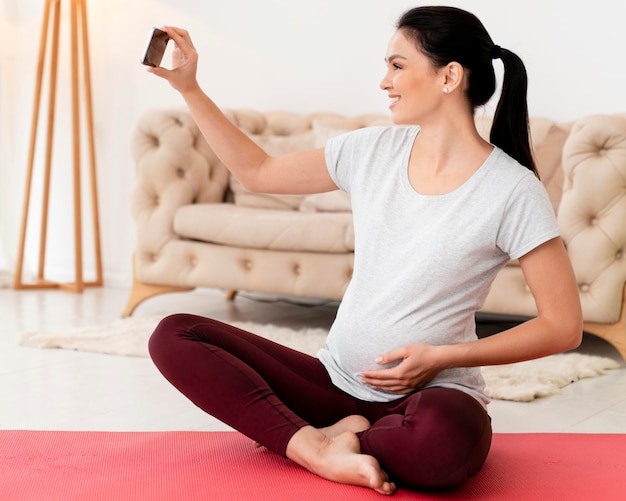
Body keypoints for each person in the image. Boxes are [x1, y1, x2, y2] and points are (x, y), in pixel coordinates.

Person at [146, 6, 582, 495]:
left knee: (436, 447)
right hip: (332, 385)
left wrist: (441, 357)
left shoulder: (512, 190)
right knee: (173, 336)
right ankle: (314, 447)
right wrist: (188, 88)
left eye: (397, 66)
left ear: (449, 77)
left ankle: (333, 435)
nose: (384, 82)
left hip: (434, 397)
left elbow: (562, 327)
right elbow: (258, 173)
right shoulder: (371, 151)